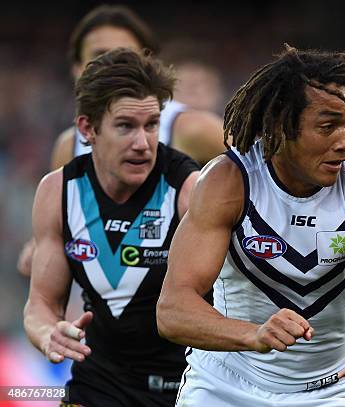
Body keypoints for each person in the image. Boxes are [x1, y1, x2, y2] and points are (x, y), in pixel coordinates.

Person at [156, 45, 345, 406]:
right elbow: (172, 310)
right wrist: (253, 334)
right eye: (326, 127)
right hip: (224, 385)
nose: (344, 142)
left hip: (324, 393)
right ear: (280, 126)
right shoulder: (229, 181)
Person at [23, 48, 200, 407]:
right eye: (125, 126)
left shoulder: (188, 189)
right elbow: (41, 303)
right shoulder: (58, 191)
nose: (142, 143)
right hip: (99, 383)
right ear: (88, 128)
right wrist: (47, 334)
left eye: (151, 125)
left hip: (186, 387)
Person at [17, 4, 225, 278]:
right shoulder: (69, 147)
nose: (112, 65)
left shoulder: (190, 127)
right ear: (77, 69)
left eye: (124, 56)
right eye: (99, 56)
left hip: (181, 299)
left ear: (148, 63)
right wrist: (40, 251)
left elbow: (264, 172)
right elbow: (62, 236)